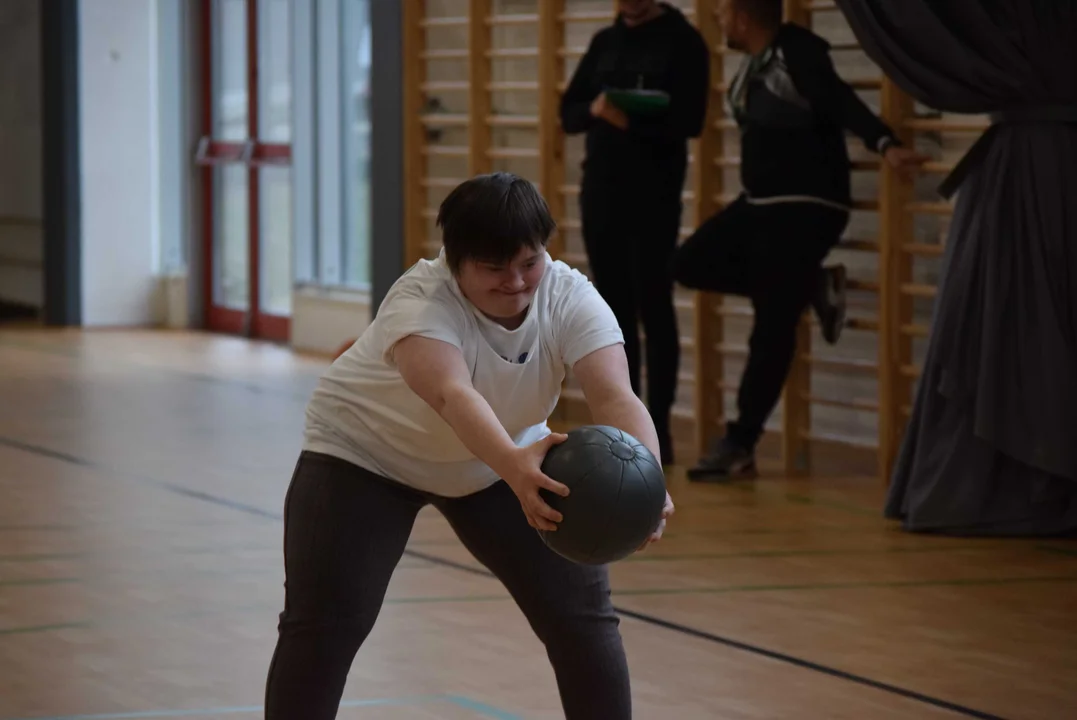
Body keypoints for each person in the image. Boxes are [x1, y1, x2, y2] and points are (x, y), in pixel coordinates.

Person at [263, 172, 675, 720]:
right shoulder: (420, 301)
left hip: (502, 463)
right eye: (493, 267)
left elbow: (616, 398)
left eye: (529, 262)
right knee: (325, 626)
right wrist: (515, 469)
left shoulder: (570, 296)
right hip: (363, 456)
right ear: (454, 262)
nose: (516, 281)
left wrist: (648, 479)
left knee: (581, 620)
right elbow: (453, 395)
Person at [674, 0, 928, 481]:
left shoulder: (797, 52)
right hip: (763, 204)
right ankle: (807, 285)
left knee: (773, 322)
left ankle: (740, 443)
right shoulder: (756, 62)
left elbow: (839, 100)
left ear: (744, 17)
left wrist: (885, 144)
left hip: (807, 206)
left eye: (724, 14)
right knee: (689, 262)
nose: (720, 22)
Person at [559, 0, 710, 466]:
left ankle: (657, 428)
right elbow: (569, 111)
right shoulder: (606, 41)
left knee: (654, 304)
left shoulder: (684, 41)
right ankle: (624, 427)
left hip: (655, 197)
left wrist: (632, 121)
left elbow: (690, 121)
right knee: (613, 314)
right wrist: (598, 107)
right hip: (603, 191)